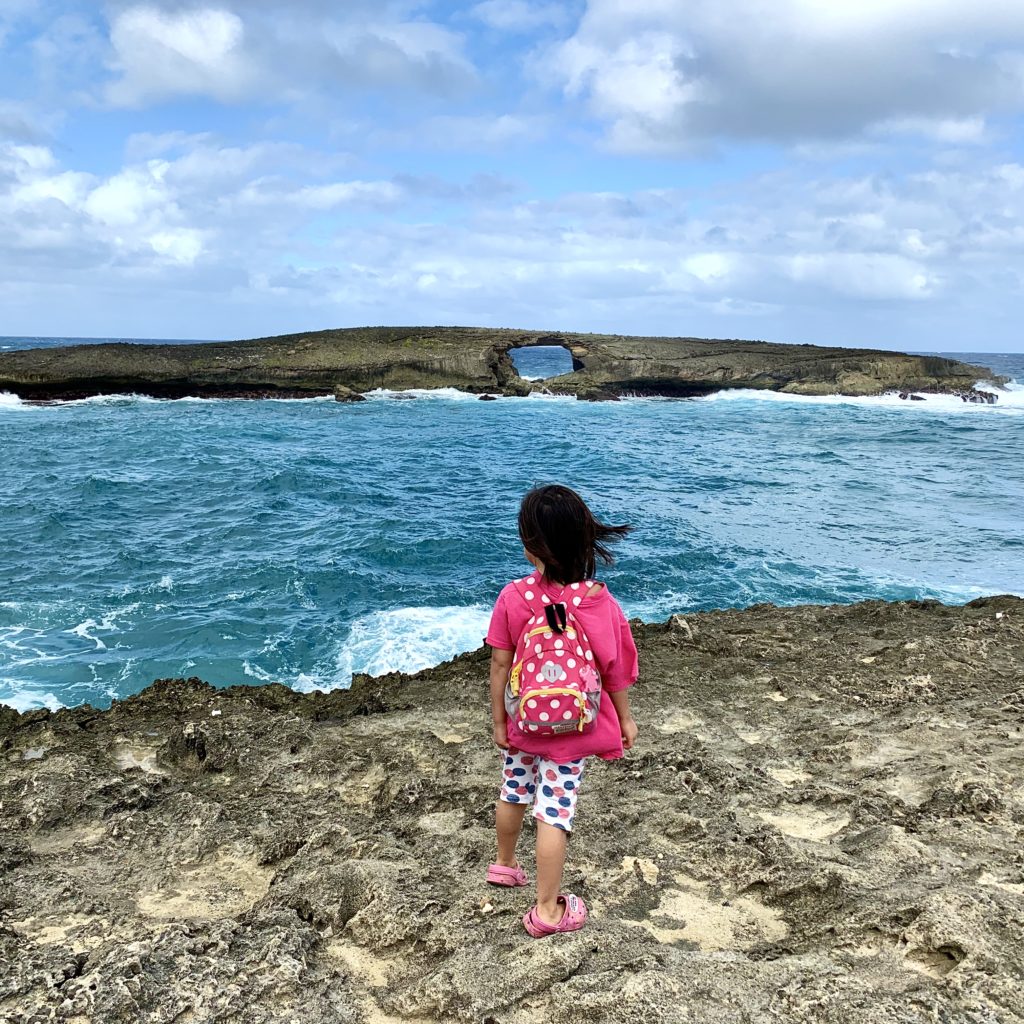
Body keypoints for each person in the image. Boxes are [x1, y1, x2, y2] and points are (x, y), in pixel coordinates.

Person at [484, 484, 639, 937]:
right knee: (555, 810)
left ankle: (505, 865)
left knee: (514, 789)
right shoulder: (598, 601)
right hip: (575, 728)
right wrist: (625, 718)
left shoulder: (514, 597)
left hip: (522, 721)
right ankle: (548, 910)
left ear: (530, 543)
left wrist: (499, 720)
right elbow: (615, 669)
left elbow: (499, 663)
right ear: (584, 540)